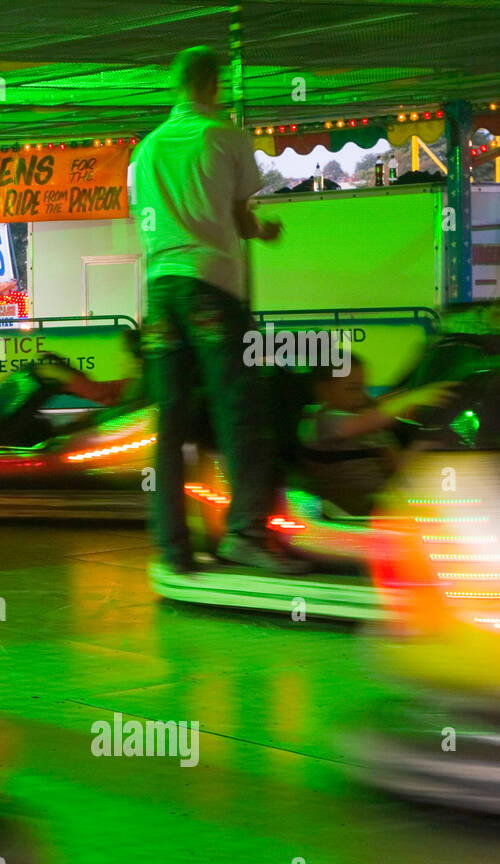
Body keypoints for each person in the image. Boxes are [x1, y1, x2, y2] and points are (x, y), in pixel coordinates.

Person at [134, 46, 297, 575]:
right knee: (240, 411)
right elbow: (240, 218)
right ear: (213, 85)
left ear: (177, 84)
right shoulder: (225, 136)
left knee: (170, 422)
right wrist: (264, 232)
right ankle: (246, 534)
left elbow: (149, 217)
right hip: (212, 289)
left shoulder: (146, 150)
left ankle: (172, 547)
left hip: (161, 292)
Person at [299, 359, 456, 516]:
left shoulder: (370, 427)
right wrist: (413, 398)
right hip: (341, 511)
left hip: (380, 505)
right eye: (353, 388)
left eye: (363, 388)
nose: (361, 396)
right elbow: (361, 423)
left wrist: (428, 439)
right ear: (324, 390)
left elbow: (399, 466)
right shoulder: (320, 419)